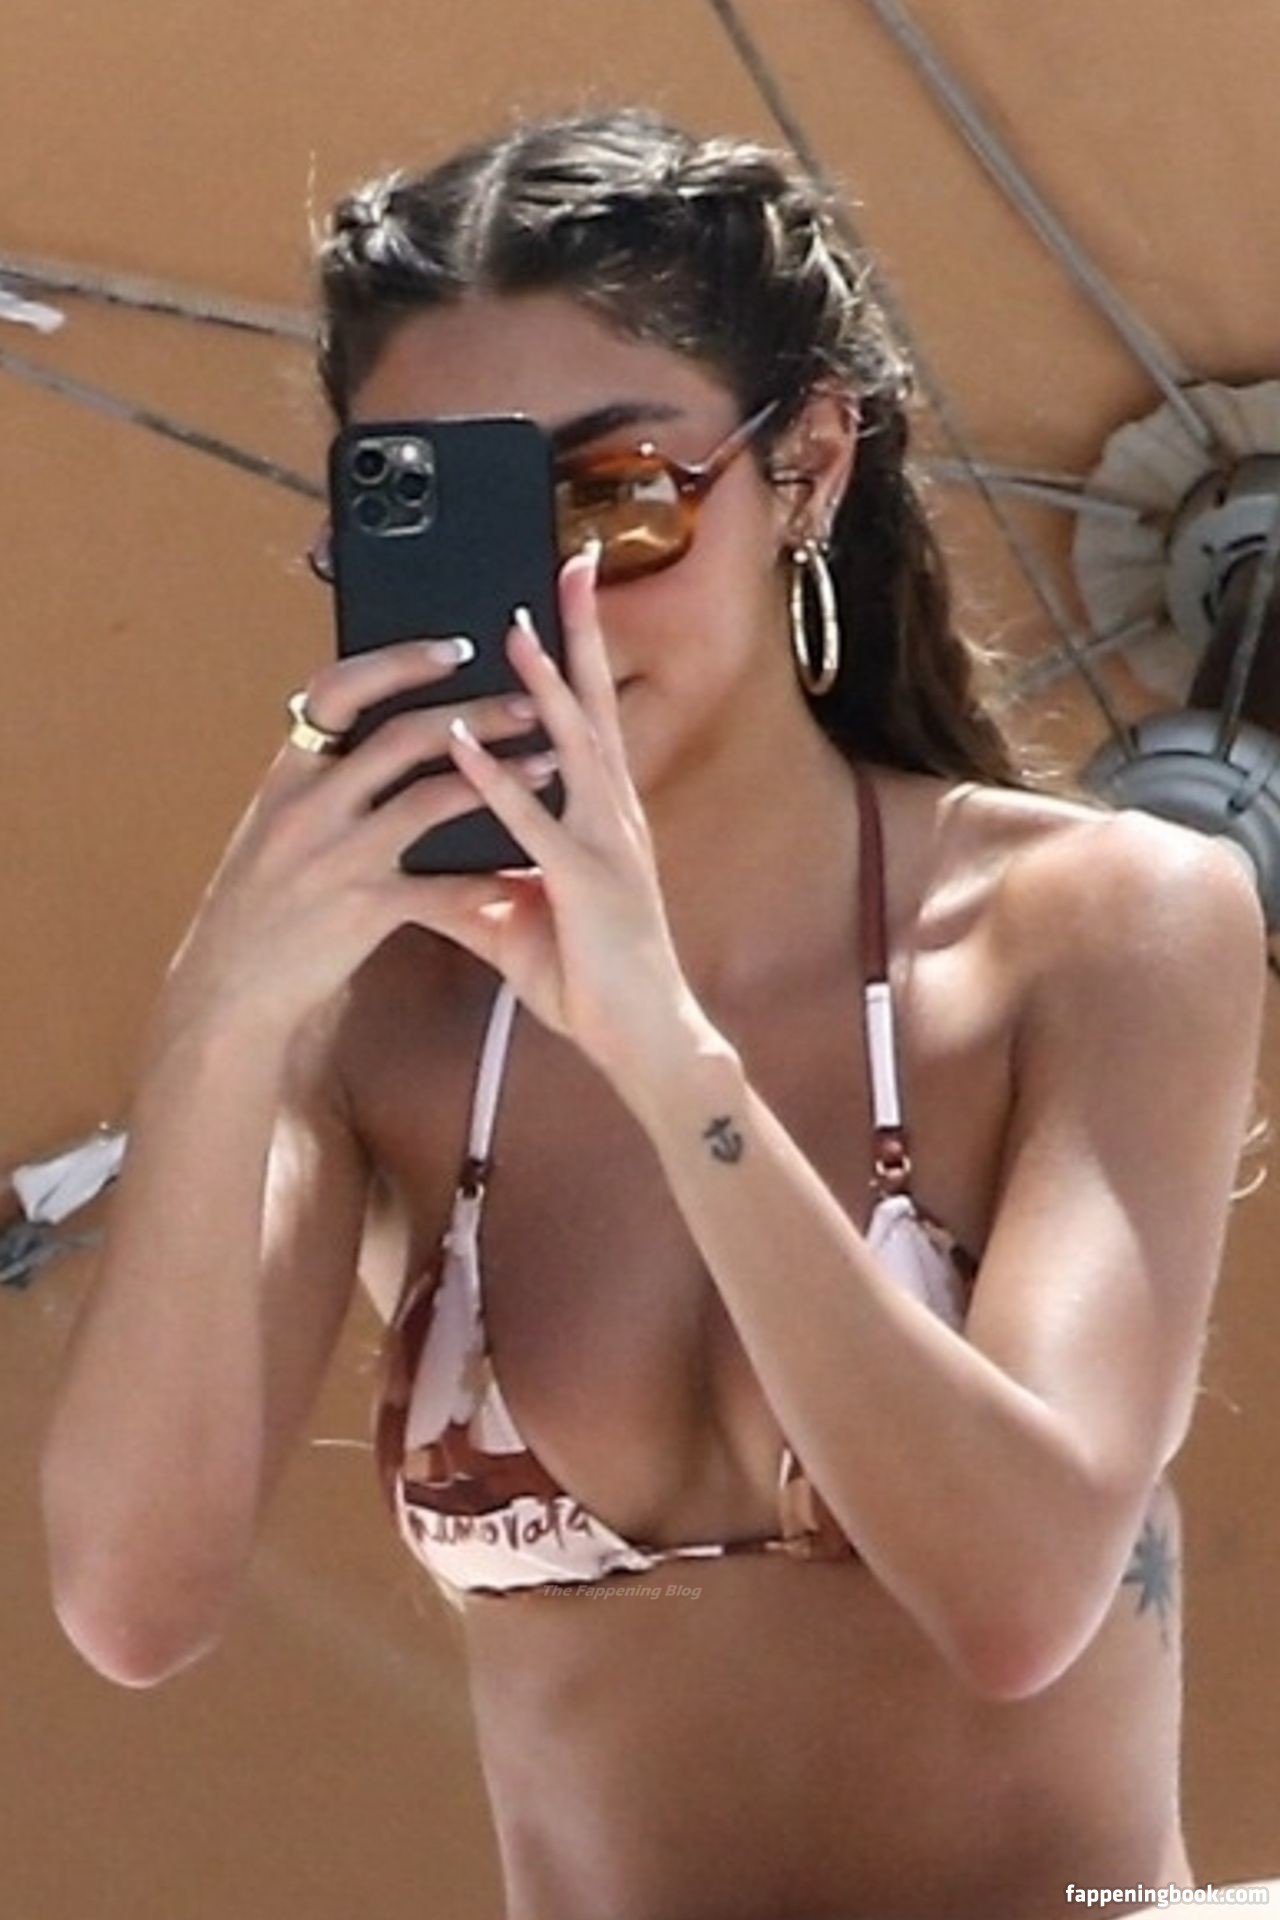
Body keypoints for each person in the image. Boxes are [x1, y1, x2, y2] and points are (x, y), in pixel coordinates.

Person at [41, 107, 1269, 1918]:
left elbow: (1018, 1595)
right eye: (450, 520)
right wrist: (223, 1016)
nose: (556, 603)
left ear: (810, 465)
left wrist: (667, 1056)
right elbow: (131, 1606)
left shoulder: (1097, 925)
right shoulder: (375, 1015)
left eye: (620, 497)